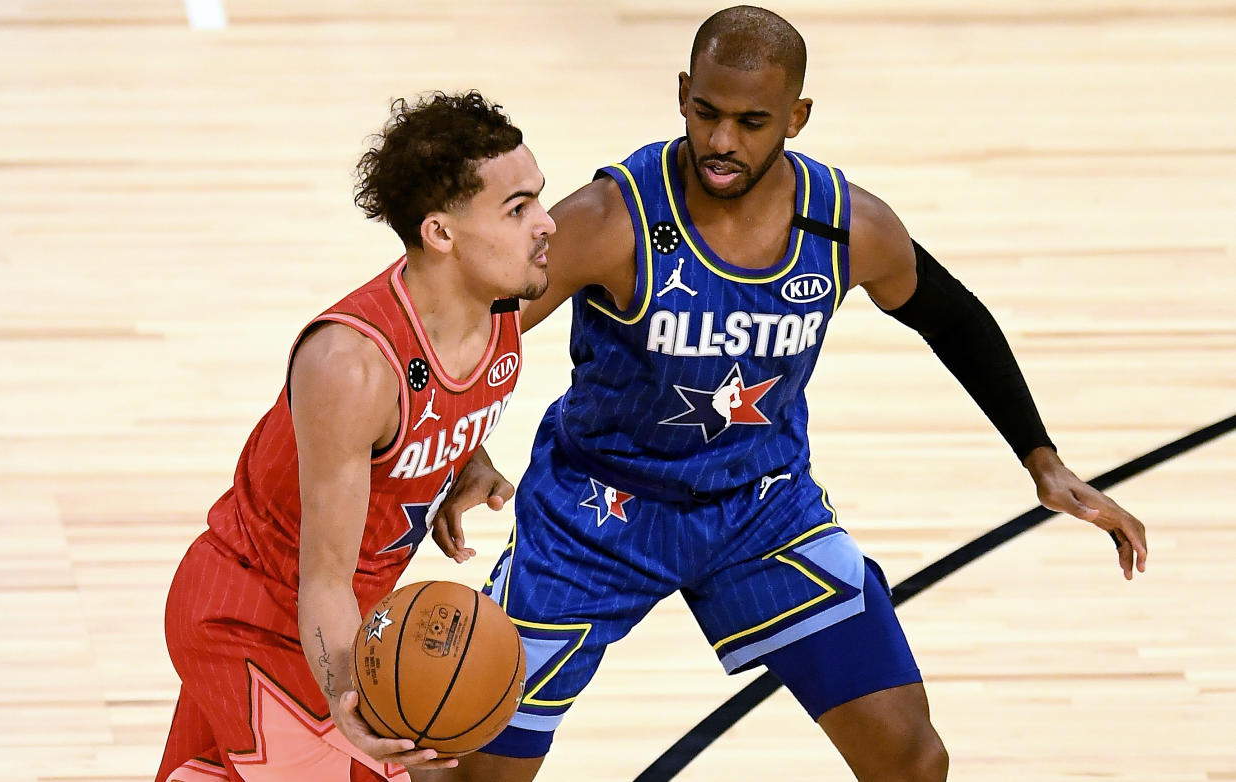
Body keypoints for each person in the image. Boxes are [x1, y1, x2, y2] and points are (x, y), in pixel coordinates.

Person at [422, 7, 1149, 782]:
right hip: (594, 515)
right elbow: (468, 325)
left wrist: (1041, 458)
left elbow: (952, 315)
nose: (722, 141)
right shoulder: (611, 219)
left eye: (752, 120)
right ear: (681, 95)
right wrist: (466, 447)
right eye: (706, 113)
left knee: (911, 759)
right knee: (479, 777)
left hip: (759, 506)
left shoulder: (846, 227)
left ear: (796, 118)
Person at [155, 91, 555, 782]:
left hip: (346, 618)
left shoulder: (500, 309)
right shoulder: (352, 365)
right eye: (518, 209)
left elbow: (442, 403)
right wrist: (350, 700)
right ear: (440, 234)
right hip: (251, 617)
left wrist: (466, 460)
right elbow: (325, 578)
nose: (546, 224)